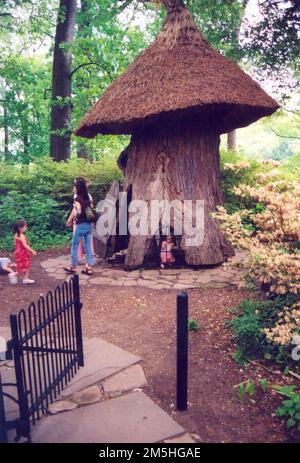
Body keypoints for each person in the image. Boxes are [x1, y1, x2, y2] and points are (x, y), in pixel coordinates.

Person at [64, 177, 95, 275]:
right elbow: (91, 208)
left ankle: (72, 266)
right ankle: (89, 267)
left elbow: (79, 211)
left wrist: (75, 217)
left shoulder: (77, 199)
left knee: (75, 245)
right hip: (88, 225)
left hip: (80, 225)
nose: (73, 188)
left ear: (78, 188)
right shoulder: (87, 197)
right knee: (88, 246)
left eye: (74, 186)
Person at [13, 220, 37, 284]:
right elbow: (25, 245)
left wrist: (17, 251)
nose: (26, 228)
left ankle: (25, 279)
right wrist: (32, 251)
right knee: (26, 266)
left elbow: (15, 244)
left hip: (18, 253)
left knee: (22, 265)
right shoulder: (22, 236)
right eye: (25, 227)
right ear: (20, 228)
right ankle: (14, 274)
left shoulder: (15, 235)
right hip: (23, 253)